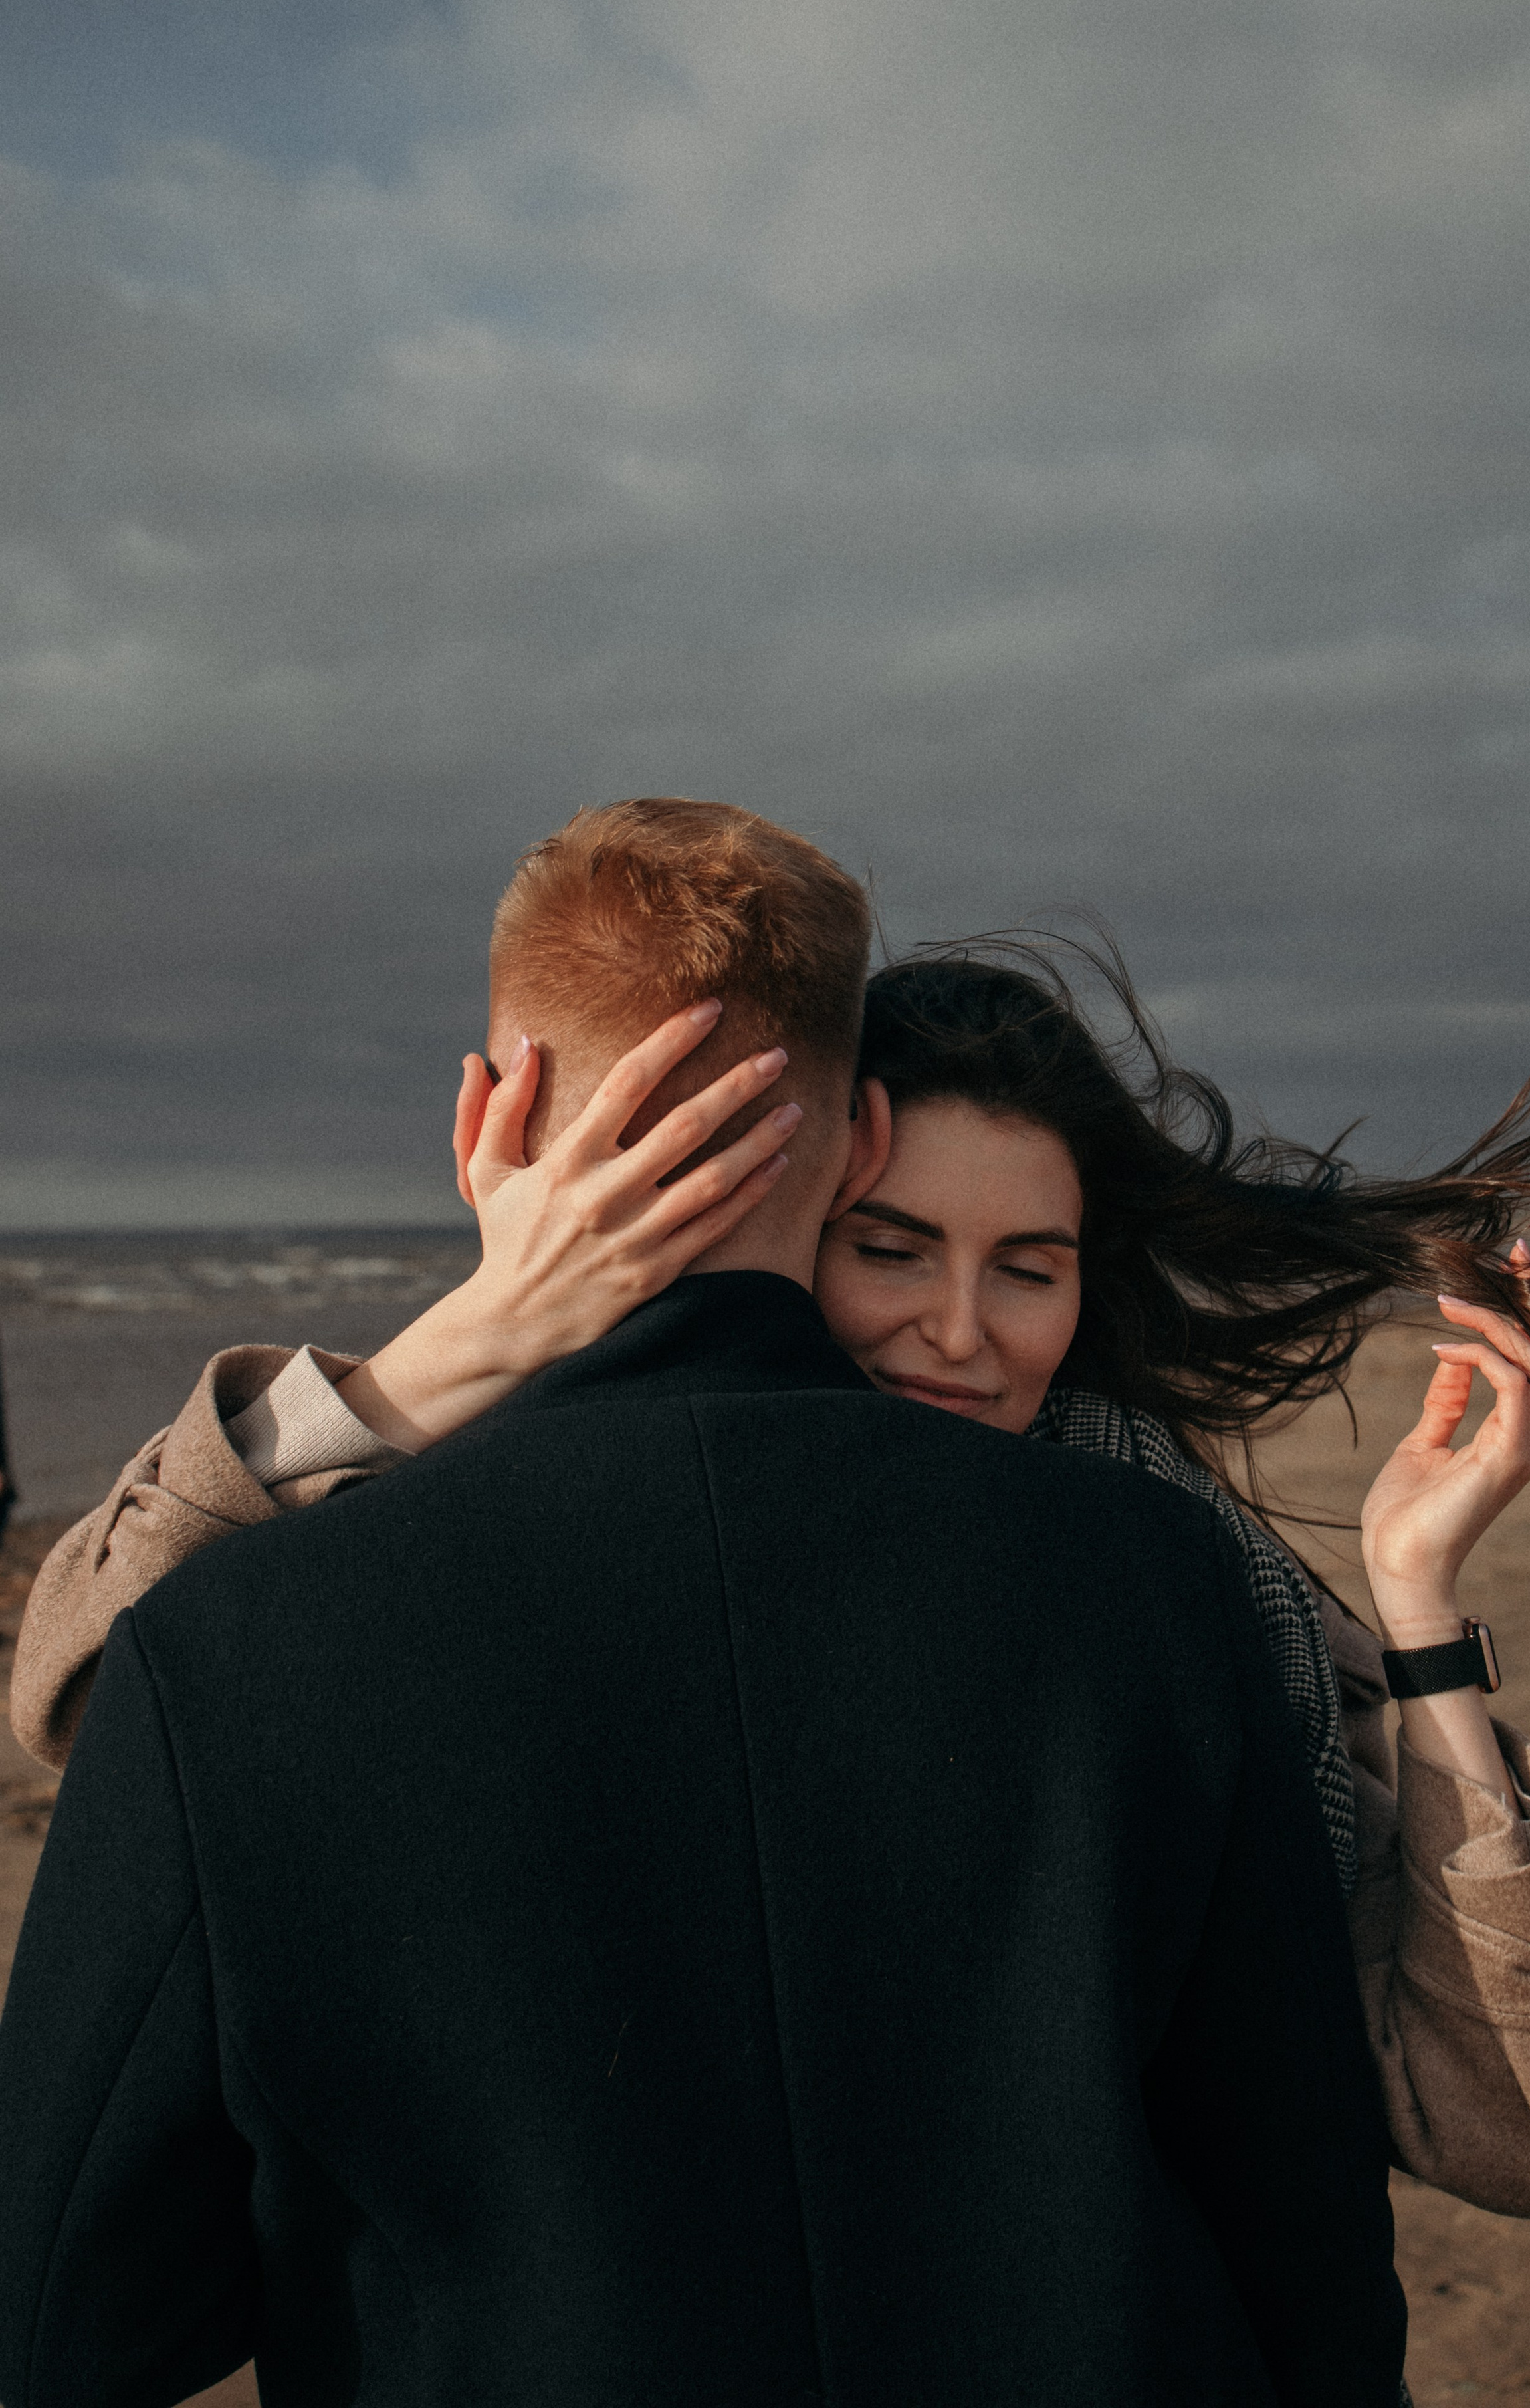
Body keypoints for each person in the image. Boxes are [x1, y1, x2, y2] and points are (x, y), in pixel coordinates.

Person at [0, 800, 1409, 2407]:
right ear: (858, 1142)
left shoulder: (232, 1645)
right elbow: (1302, 2226)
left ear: (484, 1127)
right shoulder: (1156, 1578)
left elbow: (60, 2319)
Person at [15, 922, 1530, 2223]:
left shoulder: (1176, 1574)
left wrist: (1416, 1612)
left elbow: (1528, 2138)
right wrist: (470, 1342)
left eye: (1025, 1268)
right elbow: (97, 1707)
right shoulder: (540, 1520)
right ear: (772, 1227)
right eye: (887, 1248)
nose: (957, 1333)